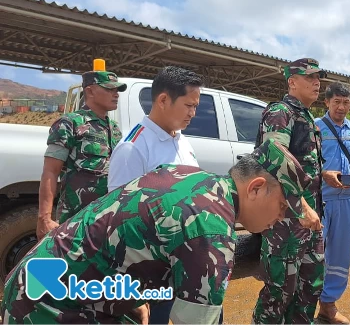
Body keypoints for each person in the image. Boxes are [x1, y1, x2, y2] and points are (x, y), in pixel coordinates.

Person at [1, 139, 311, 325]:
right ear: (256, 188)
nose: (281, 218)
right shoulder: (211, 230)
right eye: (283, 206)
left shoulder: (190, 176)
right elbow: (196, 321)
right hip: (47, 306)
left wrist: (134, 297)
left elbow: (127, 226)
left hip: (42, 278)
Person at [107, 66, 203, 324]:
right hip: (151, 269)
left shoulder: (181, 140)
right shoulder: (133, 148)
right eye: (188, 105)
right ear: (163, 100)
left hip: (183, 260)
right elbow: (118, 221)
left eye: (196, 106)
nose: (193, 113)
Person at [252, 58, 326, 325]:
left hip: (309, 220)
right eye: (310, 78)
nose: (317, 83)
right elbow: (275, 158)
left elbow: (303, 164)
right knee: (279, 291)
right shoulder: (280, 112)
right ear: (292, 82)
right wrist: (303, 207)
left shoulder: (306, 116)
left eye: (318, 78)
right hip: (286, 219)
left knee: (309, 287)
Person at [36, 60, 127, 239]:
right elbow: (50, 172)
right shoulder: (69, 123)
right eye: (109, 89)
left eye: (117, 90)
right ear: (90, 91)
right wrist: (44, 218)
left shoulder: (114, 128)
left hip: (107, 218)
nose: (116, 94)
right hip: (76, 219)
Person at [315, 82, 350, 325]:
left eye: (346, 102)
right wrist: (324, 174)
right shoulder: (315, 127)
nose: (341, 106)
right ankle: (305, 306)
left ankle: (328, 306)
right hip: (320, 200)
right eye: (336, 101)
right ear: (326, 102)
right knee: (313, 254)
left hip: (347, 199)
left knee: (340, 255)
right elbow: (304, 162)